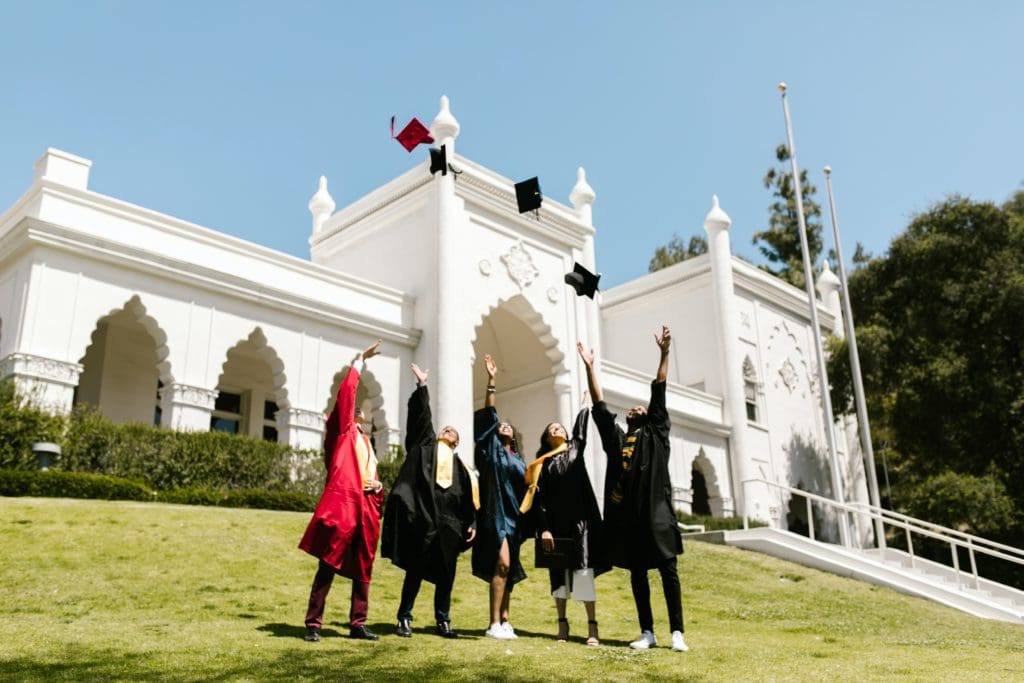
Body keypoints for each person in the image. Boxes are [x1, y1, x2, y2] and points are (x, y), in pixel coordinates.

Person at [579, 327, 689, 653]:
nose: (636, 408)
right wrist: (589, 368)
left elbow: (659, 389)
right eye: (631, 409)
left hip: (656, 514)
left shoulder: (656, 434)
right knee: (638, 575)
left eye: (641, 408)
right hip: (629, 519)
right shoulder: (617, 442)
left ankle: (677, 633)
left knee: (668, 572)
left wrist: (665, 353)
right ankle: (648, 632)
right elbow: (600, 408)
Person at [380, 362, 478, 639]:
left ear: (457, 443)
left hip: (450, 524)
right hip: (425, 516)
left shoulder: (463, 468)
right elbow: (422, 417)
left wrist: (471, 523)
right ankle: (404, 617)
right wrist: (422, 386)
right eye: (444, 430)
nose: (447, 432)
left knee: (446, 575)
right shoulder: (426, 448)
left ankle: (443, 620)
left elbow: (469, 498)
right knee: (415, 571)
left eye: (452, 433)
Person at [298, 340, 385, 642]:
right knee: (329, 562)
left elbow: (371, 472)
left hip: (367, 505)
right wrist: (359, 362)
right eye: (353, 408)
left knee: (364, 564)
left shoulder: (366, 441)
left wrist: (379, 485)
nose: (357, 408)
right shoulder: (343, 434)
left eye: (361, 409)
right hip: (346, 503)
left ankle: (358, 623)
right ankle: (313, 623)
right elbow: (347, 394)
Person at [525, 396, 610, 646]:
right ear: (548, 439)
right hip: (556, 527)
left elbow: (580, 432)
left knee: (583, 572)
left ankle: (592, 628)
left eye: (559, 427)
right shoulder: (543, 465)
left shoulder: (574, 448)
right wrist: (545, 530)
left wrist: (583, 407)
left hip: (581, 523)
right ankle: (562, 624)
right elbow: (539, 501)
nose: (557, 429)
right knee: (558, 576)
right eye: (552, 429)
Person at [472, 353, 527, 640]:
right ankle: (493, 623)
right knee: (503, 563)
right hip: (495, 513)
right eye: (500, 426)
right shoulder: (491, 450)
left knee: (511, 571)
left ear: (514, 436)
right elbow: (488, 420)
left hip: (515, 515)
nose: (503, 426)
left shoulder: (518, 460)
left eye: (508, 426)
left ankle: (506, 620)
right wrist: (491, 382)